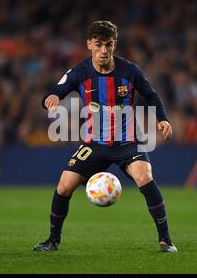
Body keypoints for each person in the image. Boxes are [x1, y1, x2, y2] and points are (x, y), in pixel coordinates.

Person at [33, 21, 177, 252]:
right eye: (98, 44)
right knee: (64, 186)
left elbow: (152, 96)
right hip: (94, 144)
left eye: (108, 45)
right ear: (89, 44)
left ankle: (166, 239)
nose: (103, 51)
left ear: (114, 45)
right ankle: (52, 240)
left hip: (128, 142)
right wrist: (51, 98)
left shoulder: (130, 71)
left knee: (144, 176)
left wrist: (162, 119)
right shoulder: (79, 72)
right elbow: (56, 91)